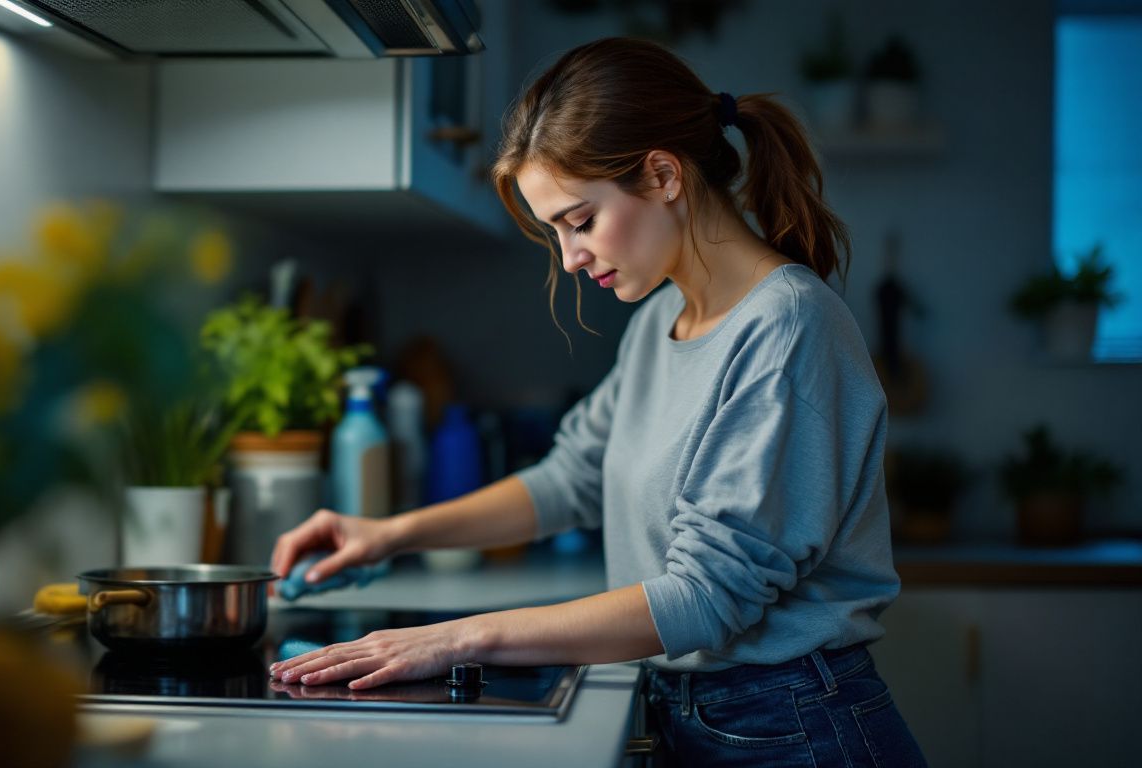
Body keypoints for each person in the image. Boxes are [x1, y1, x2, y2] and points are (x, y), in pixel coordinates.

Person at [269, 37, 926, 767]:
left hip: (795, 727)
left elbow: (706, 597)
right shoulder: (659, 321)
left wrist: (456, 636)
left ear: (663, 174)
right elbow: (572, 478)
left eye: (579, 221)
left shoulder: (789, 325)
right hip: (698, 712)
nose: (570, 256)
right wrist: (388, 533)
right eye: (556, 231)